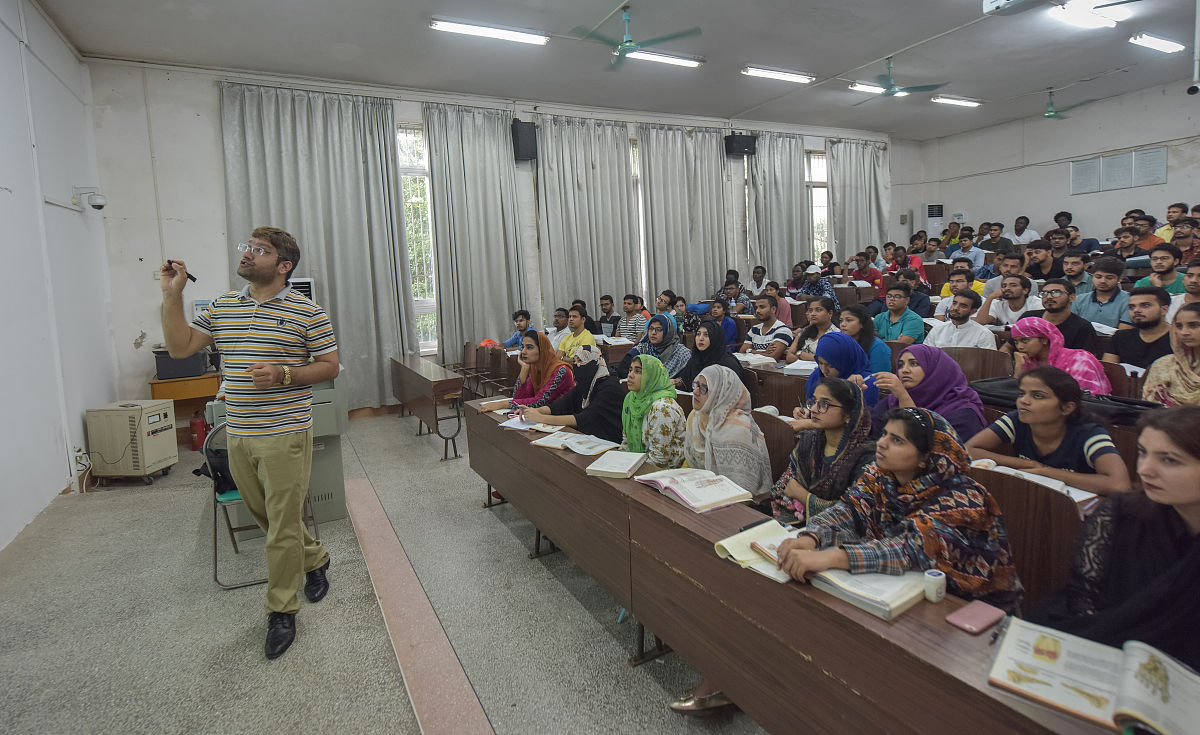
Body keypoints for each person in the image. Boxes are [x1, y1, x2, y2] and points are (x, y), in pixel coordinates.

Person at [161, 227, 339, 659]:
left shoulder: (307, 312)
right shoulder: (224, 306)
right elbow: (180, 346)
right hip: (239, 433)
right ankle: (315, 558)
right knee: (267, 519)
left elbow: (331, 366)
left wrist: (286, 374)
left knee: (279, 527)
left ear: (283, 266)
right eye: (248, 247)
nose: (248, 254)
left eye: (260, 251)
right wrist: (172, 295)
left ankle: (281, 610)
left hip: (284, 433)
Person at [775, 408, 1022, 613]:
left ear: (926, 457)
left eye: (897, 440)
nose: (881, 444)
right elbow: (848, 509)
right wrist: (811, 536)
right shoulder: (881, 476)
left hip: (969, 609)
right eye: (884, 434)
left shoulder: (964, 498)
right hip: (905, 593)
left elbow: (912, 548)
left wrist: (831, 557)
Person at [1025, 407, 1200, 670]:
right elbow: (1082, 599)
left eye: (1170, 460)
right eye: (1142, 453)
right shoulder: (1121, 513)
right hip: (1106, 652)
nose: (1145, 470)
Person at [966, 367, 1130, 495]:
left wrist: (1047, 472)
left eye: (1038, 396)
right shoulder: (1016, 420)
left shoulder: (1089, 433)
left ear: (1066, 408)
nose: (1024, 401)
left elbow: (1119, 485)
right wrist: (1028, 464)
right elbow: (968, 450)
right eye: (1022, 393)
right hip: (1032, 497)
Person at [770, 378, 875, 524]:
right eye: (814, 402)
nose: (813, 409)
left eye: (824, 404)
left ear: (849, 415)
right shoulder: (809, 442)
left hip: (838, 538)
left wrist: (804, 497)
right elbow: (783, 486)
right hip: (795, 523)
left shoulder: (866, 458)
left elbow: (853, 516)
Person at [683, 365, 773, 496]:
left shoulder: (738, 431)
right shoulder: (695, 417)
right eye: (696, 384)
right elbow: (690, 464)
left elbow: (743, 490)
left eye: (704, 388)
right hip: (700, 492)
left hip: (736, 503)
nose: (696, 391)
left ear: (720, 394)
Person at [872, 345, 987, 441]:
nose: (904, 370)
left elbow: (933, 452)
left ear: (937, 370)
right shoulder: (894, 400)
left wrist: (904, 397)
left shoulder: (963, 412)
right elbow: (870, 431)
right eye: (900, 365)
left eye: (914, 363)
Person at [518, 346, 624, 443]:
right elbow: (561, 405)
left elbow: (586, 418)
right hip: (587, 439)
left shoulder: (610, 387)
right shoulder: (585, 384)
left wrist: (541, 418)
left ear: (596, 362)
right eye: (574, 361)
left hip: (608, 442)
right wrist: (535, 410)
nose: (577, 365)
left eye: (581, 360)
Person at [1011, 317, 1111, 395]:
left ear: (1044, 339)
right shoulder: (1027, 362)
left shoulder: (1080, 360)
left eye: (1025, 341)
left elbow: (1088, 401)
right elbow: (1015, 397)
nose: (1019, 347)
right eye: (1016, 342)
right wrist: (1018, 370)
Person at [482, 331, 576, 410]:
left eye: (529, 347)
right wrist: (524, 368)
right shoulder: (535, 369)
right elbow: (518, 397)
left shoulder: (561, 371)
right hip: (544, 418)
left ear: (542, 350)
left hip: (565, 422)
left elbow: (540, 402)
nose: (523, 352)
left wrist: (502, 404)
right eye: (523, 347)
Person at [622, 355, 685, 469]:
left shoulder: (662, 408)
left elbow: (659, 459)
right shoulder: (632, 400)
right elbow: (626, 442)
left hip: (665, 475)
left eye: (638, 371)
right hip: (639, 466)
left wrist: (628, 471)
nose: (630, 375)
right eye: (630, 370)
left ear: (651, 376)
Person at [1144, 302, 1200, 406]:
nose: (1184, 332)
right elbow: (1149, 408)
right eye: (1179, 326)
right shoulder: (1163, 365)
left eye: (1193, 326)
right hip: (1164, 421)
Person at [1103, 287, 1172, 369]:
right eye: (1132, 307)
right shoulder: (1120, 337)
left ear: (1164, 310)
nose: (1136, 310)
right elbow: (1108, 372)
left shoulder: (1180, 339)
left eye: (1145, 305)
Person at [1023, 279, 1097, 354]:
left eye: (1056, 293)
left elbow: (1084, 359)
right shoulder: (1028, 318)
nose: (1048, 297)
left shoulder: (1083, 327)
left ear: (1072, 297)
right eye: (1044, 293)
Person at [806, 332, 880, 407]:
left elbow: (864, 417)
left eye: (831, 365)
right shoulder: (817, 376)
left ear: (845, 361)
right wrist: (804, 411)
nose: (824, 370)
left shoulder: (866, 383)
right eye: (820, 363)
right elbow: (811, 406)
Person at [674, 321, 744, 392]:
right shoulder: (696, 358)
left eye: (706, 335)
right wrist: (675, 382)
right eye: (698, 334)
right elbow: (686, 381)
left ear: (715, 338)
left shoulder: (727, 364)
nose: (701, 338)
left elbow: (730, 395)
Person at [615, 314, 691, 379]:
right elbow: (622, 370)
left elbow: (687, 379)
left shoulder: (681, 353)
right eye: (651, 329)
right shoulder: (643, 348)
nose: (653, 333)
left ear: (668, 332)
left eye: (659, 329)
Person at [1070, 257, 1131, 329]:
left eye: (1109, 278)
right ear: (1092, 277)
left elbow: (1124, 332)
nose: (1103, 281)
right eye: (1098, 277)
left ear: (1119, 278)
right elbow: (1072, 328)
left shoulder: (1129, 300)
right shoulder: (1079, 300)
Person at [926, 290, 997, 350]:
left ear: (973, 311)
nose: (955, 308)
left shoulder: (984, 334)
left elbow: (989, 362)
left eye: (963, 306)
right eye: (954, 303)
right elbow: (925, 355)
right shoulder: (937, 330)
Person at [839, 304, 892, 372]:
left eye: (849, 320)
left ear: (862, 323)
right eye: (841, 321)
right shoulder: (840, 344)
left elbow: (879, 378)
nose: (843, 324)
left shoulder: (878, 346)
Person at [740, 295, 793, 361]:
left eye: (762, 307)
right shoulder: (754, 329)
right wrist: (763, 352)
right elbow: (742, 352)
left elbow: (772, 357)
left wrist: (751, 351)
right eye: (756, 307)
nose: (757, 311)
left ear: (773, 309)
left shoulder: (783, 330)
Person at [787, 296, 839, 362]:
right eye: (810, 310)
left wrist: (802, 355)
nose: (813, 314)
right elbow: (789, 357)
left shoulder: (837, 334)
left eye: (818, 310)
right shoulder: (804, 331)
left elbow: (831, 360)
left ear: (830, 313)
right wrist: (801, 355)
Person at [977, 275, 1042, 327]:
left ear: (1025, 290)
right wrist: (990, 298)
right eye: (1004, 286)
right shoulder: (998, 304)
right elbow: (981, 321)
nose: (1007, 288)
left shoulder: (1036, 303)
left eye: (1013, 285)